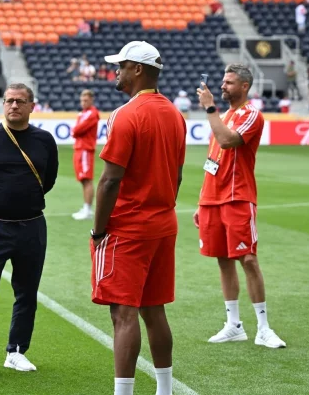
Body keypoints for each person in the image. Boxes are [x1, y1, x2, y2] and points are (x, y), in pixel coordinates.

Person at [92, 41, 186, 395]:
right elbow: (177, 175)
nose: (116, 70)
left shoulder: (126, 114)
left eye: (121, 64)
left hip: (128, 227)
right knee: (154, 310)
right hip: (163, 222)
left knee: (123, 314)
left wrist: (98, 229)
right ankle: (165, 390)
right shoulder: (175, 114)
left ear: (138, 70)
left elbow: (110, 179)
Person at [0, 83, 58, 379]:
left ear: (32, 106)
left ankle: (16, 351)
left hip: (32, 226)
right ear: (3, 105)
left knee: (27, 292)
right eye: (9, 101)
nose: (14, 106)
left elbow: (49, 178)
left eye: (20, 101)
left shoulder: (44, 140)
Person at [194, 63, 286, 350]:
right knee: (222, 259)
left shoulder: (250, 115)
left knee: (247, 259)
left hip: (237, 196)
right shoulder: (226, 115)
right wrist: (202, 199)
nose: (223, 86)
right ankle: (234, 325)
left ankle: (263, 328)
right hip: (213, 198)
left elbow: (227, 140)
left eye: (230, 82)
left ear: (244, 86)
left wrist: (210, 108)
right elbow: (213, 159)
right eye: (223, 81)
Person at [70, 89, 100, 220]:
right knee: (83, 180)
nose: (83, 102)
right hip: (80, 149)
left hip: (85, 149)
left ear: (91, 100)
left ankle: (87, 210)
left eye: (86, 100)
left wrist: (75, 131)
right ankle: (86, 207)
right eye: (82, 100)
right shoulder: (82, 113)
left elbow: (77, 130)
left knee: (87, 179)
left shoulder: (92, 114)